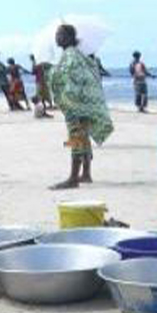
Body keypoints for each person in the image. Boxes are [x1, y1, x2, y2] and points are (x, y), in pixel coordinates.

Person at [49, 24, 114, 190]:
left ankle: (73, 178)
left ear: (70, 38)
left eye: (60, 34)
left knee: (76, 139)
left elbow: (72, 80)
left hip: (75, 106)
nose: (57, 37)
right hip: (82, 105)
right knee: (82, 138)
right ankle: (86, 173)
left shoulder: (71, 55)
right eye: (57, 34)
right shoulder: (77, 55)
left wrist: (55, 79)